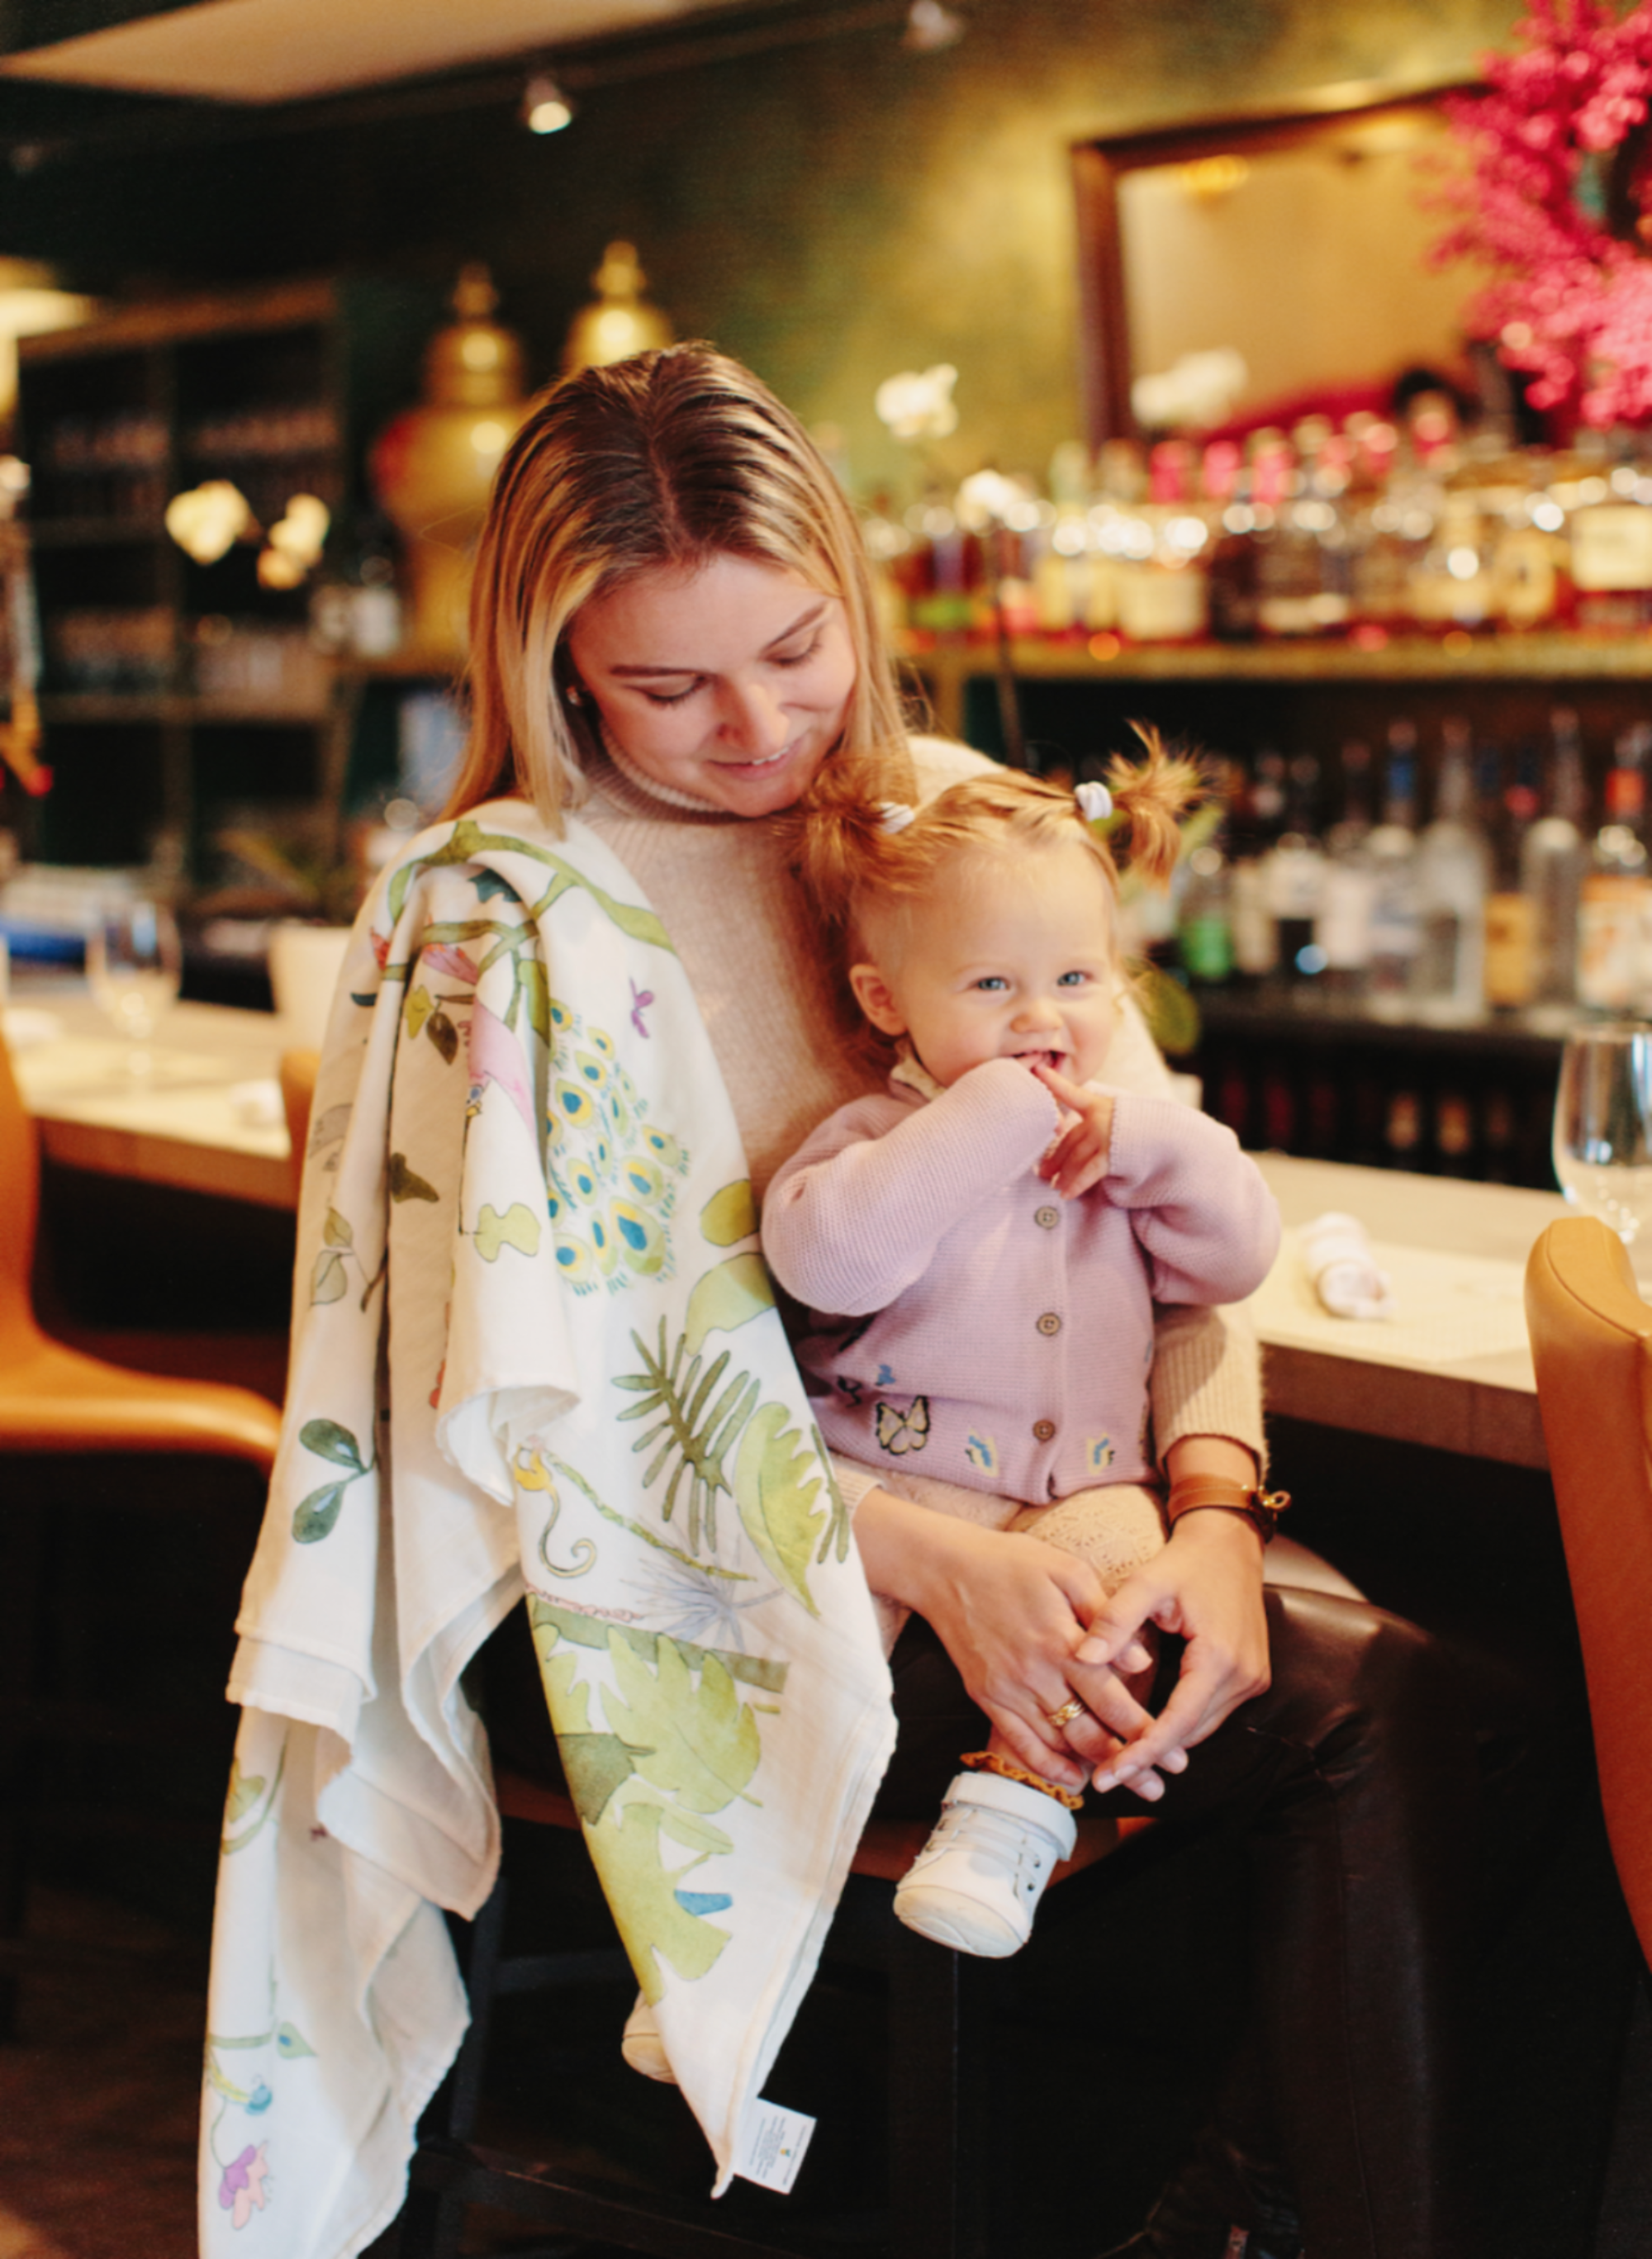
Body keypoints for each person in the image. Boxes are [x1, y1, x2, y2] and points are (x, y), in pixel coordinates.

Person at [446, 342, 1492, 2259]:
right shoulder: (511, 911)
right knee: (1402, 1720)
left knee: (1468, 1687)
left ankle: (1229, 2201)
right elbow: (574, 1419)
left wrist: (1214, 1514)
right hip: (697, 1579)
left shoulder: (946, 824)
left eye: (799, 646)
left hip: (1042, 1513)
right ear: (554, 664)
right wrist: (933, 1555)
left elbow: (1164, 1225)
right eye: (672, 684)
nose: (760, 724)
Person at [761, 760, 1282, 1958]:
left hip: (1088, 1492)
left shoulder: (1128, 1150)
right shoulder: (877, 1137)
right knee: (798, 1668)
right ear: (887, 1000)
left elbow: (1237, 1261)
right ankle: (731, 1936)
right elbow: (827, 1263)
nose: (1041, 1018)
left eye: (1076, 980)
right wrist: (984, 1118)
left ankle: (1007, 1819)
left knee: (1114, 1617)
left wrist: (1160, 1143)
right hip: (897, 1486)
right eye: (992, 984)